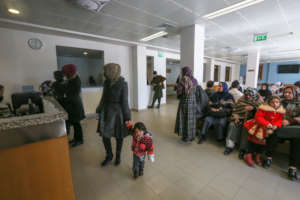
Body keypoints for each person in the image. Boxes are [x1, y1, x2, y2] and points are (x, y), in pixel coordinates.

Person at [97, 63, 131, 167]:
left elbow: (125, 102)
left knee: (118, 136)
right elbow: (103, 97)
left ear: (112, 72)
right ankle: (109, 155)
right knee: (105, 136)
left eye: (106, 71)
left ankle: (118, 156)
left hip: (117, 113)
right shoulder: (106, 82)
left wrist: (127, 118)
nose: (105, 73)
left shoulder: (123, 84)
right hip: (106, 111)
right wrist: (99, 109)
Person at [243, 96, 285, 167]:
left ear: (279, 103)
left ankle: (257, 155)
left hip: (268, 130)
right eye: (272, 102)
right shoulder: (263, 108)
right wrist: (267, 123)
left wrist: (276, 125)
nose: (275, 104)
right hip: (259, 127)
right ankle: (248, 154)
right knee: (253, 141)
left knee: (263, 143)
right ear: (269, 102)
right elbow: (258, 117)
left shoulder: (280, 111)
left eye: (277, 102)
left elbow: (279, 120)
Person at [268, 86, 300, 180]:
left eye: (289, 92)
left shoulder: (298, 103)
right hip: (279, 127)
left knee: (297, 139)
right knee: (274, 133)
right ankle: (268, 157)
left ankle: (292, 167)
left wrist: (290, 121)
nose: (286, 94)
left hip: (292, 128)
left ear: (294, 94)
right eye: (285, 92)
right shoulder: (279, 102)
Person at [224, 88, 262, 155]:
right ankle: (229, 146)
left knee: (246, 128)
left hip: (251, 120)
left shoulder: (259, 102)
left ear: (254, 96)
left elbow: (261, 113)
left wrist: (254, 108)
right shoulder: (241, 99)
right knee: (232, 125)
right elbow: (235, 110)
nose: (248, 97)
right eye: (247, 95)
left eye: (250, 95)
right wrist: (236, 117)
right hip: (239, 118)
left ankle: (243, 149)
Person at [61, 64, 85, 147]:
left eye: (66, 74)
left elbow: (70, 94)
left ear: (69, 73)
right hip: (73, 105)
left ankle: (80, 140)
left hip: (75, 106)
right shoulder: (72, 80)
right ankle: (76, 138)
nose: (65, 76)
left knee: (77, 124)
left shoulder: (75, 81)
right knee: (75, 124)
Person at [175, 66, 199, 142]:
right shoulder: (195, 80)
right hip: (193, 102)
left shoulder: (183, 80)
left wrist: (179, 94)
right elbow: (196, 92)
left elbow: (179, 91)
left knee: (184, 118)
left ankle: (185, 137)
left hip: (184, 101)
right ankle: (191, 136)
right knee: (191, 119)